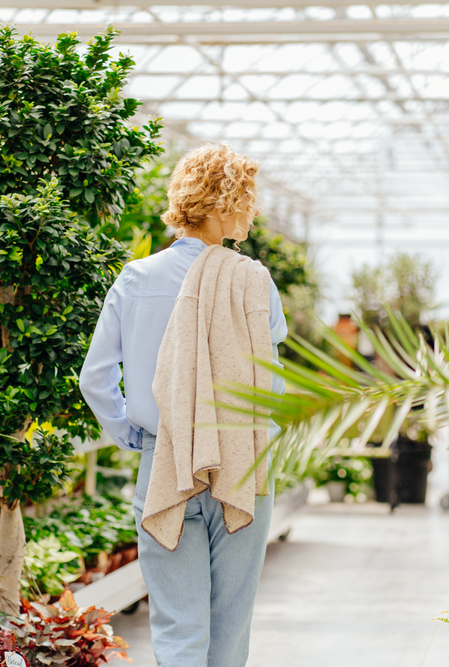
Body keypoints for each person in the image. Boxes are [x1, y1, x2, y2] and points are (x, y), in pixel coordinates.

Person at [79, 144, 288, 667]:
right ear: (221, 206)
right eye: (246, 199)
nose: (252, 211)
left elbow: (95, 377)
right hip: (241, 462)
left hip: (162, 462)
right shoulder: (253, 281)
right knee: (230, 627)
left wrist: (133, 434)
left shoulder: (137, 278)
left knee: (177, 627)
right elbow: (274, 386)